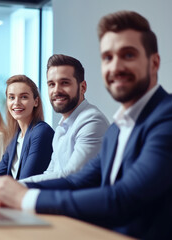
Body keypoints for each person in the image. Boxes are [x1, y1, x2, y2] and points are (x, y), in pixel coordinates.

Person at [0, 11, 172, 239]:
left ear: (154, 63)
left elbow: (123, 197)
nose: (116, 66)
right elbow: (75, 180)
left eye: (128, 55)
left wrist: (25, 197)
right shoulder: (117, 129)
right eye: (108, 57)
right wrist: (13, 189)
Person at [20, 54, 109, 183]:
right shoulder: (63, 125)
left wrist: (17, 185)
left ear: (83, 87)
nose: (56, 90)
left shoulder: (92, 121)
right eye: (51, 84)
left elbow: (71, 176)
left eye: (65, 83)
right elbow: (51, 173)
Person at [0, 75, 54, 190]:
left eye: (23, 97)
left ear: (36, 101)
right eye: (11, 97)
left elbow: (25, 180)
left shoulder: (41, 132)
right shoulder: (15, 136)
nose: (16, 103)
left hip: (32, 204)